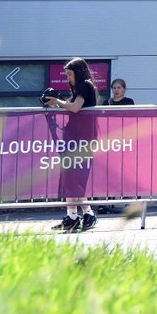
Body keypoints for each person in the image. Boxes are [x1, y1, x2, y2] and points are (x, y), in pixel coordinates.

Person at [44, 57, 99, 232]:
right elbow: (74, 107)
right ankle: (83, 215)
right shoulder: (81, 87)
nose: (67, 78)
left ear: (78, 72)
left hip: (81, 138)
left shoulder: (85, 85)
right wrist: (56, 104)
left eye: (69, 74)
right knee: (72, 177)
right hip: (78, 137)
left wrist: (57, 102)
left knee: (73, 177)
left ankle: (74, 218)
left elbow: (75, 107)